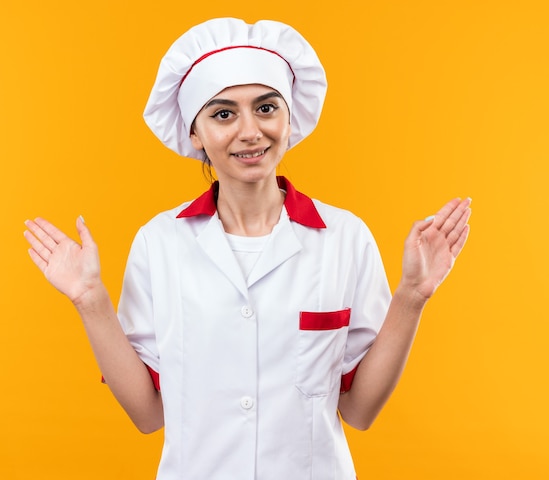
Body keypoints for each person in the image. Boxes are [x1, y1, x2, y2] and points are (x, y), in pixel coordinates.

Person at [24, 17, 471, 480]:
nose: (250, 131)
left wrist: (412, 296)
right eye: (223, 114)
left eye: (265, 108)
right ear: (195, 134)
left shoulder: (345, 237)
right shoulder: (159, 242)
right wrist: (90, 300)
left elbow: (359, 410)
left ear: (289, 118)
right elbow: (147, 414)